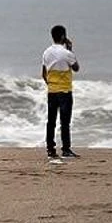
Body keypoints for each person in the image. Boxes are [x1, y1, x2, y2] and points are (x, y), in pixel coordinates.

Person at [42, 25, 81, 158]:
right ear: (64, 37)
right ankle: (66, 149)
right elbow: (76, 68)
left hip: (52, 91)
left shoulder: (46, 52)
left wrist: (51, 84)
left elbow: (43, 74)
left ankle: (50, 149)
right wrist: (70, 49)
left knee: (51, 121)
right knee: (65, 122)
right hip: (65, 91)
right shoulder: (67, 54)